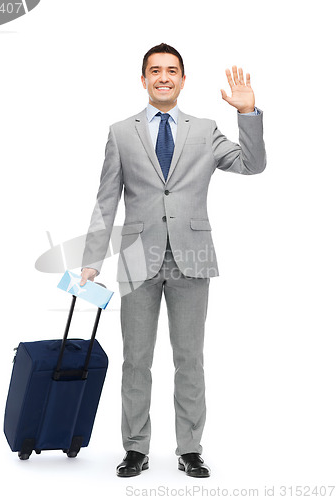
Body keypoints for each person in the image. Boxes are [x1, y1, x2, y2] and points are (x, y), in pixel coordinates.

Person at [80, 43, 266, 478]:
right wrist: (92, 261)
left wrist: (248, 114)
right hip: (137, 260)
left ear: (183, 80)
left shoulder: (204, 130)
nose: (164, 77)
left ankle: (190, 449)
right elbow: (106, 201)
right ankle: (135, 448)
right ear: (143, 79)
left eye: (172, 71)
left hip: (192, 259)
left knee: (190, 359)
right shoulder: (121, 132)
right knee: (136, 360)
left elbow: (252, 165)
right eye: (155, 71)